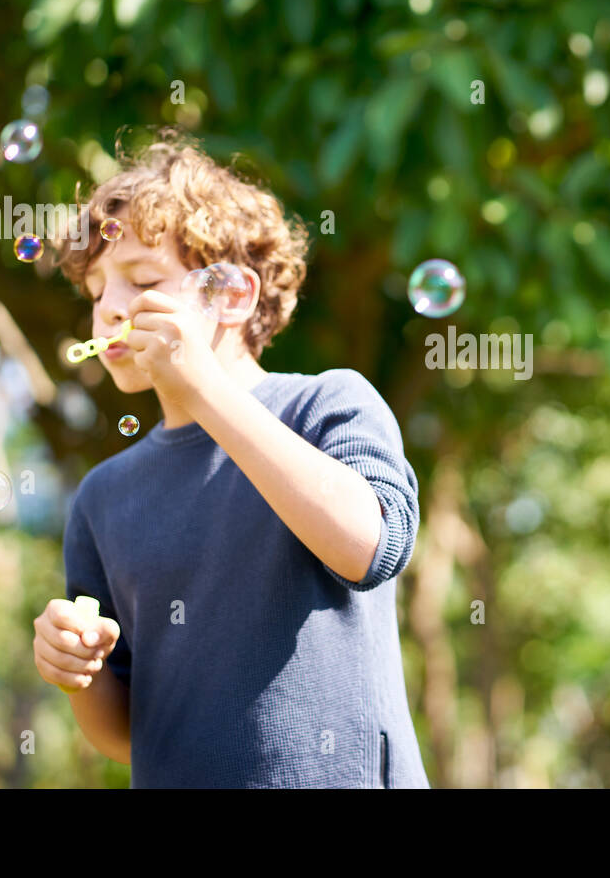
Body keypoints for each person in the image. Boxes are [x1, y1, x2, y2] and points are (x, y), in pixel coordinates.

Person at [32, 130, 429, 787]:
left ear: (234, 296)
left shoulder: (329, 403)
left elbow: (371, 548)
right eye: (97, 290)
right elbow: (125, 733)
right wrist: (77, 670)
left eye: (143, 280)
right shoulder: (104, 497)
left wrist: (205, 389)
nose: (109, 310)